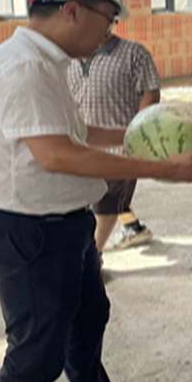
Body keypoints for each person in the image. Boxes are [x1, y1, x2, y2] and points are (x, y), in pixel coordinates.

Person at [0, 0, 192, 382]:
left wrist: (147, 133)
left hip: (64, 223)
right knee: (37, 351)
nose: (110, 30)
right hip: (26, 231)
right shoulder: (24, 69)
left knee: (87, 317)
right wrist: (164, 168)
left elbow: (76, 133)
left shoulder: (47, 63)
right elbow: (58, 154)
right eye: (109, 17)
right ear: (73, 10)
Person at [68, 30, 160, 253]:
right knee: (93, 200)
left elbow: (151, 94)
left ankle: (93, 256)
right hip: (81, 145)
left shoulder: (133, 54)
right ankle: (133, 227)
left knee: (106, 205)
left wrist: (139, 135)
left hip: (120, 149)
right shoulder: (68, 55)